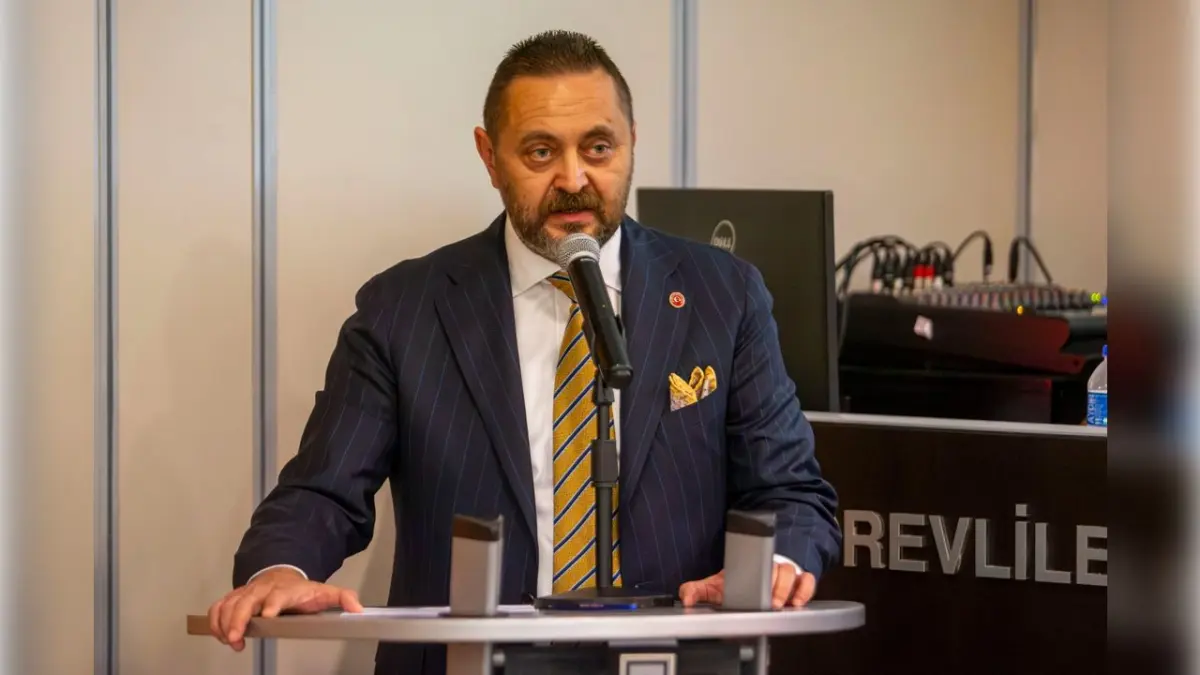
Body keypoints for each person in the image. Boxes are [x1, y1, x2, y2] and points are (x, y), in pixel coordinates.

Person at [207, 29, 841, 674]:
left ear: (632, 141)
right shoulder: (404, 308)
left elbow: (791, 490)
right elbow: (322, 489)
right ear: (489, 156)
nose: (574, 179)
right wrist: (280, 569)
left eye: (598, 147)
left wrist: (772, 566)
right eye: (540, 151)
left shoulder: (722, 294)